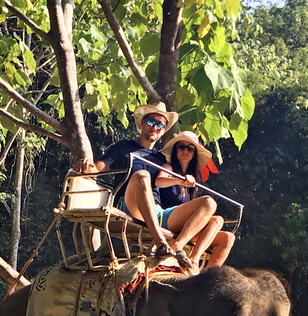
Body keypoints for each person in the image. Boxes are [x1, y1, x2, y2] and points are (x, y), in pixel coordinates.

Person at [77, 103, 214, 269]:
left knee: (209, 203)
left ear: (163, 130)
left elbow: (166, 185)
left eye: (160, 125)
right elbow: (97, 169)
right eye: (151, 122)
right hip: (128, 203)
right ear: (142, 123)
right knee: (143, 176)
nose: (155, 127)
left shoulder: (161, 159)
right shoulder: (124, 147)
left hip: (157, 211)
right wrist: (86, 164)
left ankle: (177, 248)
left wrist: (183, 181)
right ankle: (160, 244)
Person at [158, 131, 235, 269]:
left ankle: (195, 262)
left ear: (194, 153)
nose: (185, 151)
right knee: (209, 203)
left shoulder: (193, 178)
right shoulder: (168, 167)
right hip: (167, 216)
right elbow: (158, 181)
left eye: (190, 148)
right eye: (181, 147)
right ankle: (177, 246)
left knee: (224, 231)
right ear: (175, 150)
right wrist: (179, 180)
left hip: (183, 224)